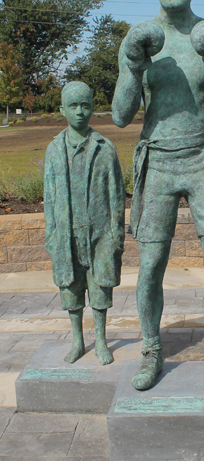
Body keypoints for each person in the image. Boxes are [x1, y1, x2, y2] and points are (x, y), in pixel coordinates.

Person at [112, 0, 204, 399]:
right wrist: (133, 66)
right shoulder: (143, 38)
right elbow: (121, 116)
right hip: (159, 162)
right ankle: (151, 351)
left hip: (203, 157)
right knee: (149, 269)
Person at [44, 81, 125, 366]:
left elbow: (116, 194)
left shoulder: (104, 148)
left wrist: (116, 235)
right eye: (73, 106)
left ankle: (101, 340)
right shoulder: (54, 150)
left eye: (85, 105)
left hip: (100, 233)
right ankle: (78, 341)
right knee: (71, 288)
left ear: (93, 107)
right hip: (67, 233)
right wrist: (51, 235)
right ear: (62, 109)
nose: (80, 112)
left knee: (101, 288)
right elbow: (49, 196)